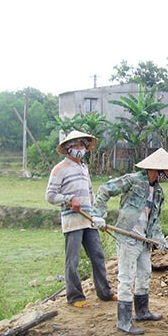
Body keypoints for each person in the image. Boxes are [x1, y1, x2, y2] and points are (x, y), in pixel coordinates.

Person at [91, 148, 168, 335]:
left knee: (145, 275)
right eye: (167, 171)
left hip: (144, 239)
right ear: (156, 169)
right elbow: (104, 190)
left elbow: (154, 220)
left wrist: (159, 238)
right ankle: (123, 321)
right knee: (127, 278)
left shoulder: (158, 192)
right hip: (128, 237)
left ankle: (142, 311)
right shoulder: (132, 181)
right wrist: (98, 215)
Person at [45, 130, 116, 308]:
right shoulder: (60, 169)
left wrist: (96, 215)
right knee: (73, 260)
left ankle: (104, 292)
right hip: (73, 222)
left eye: (83, 145)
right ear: (69, 148)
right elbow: (50, 196)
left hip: (88, 220)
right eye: (77, 145)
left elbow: (90, 194)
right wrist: (69, 199)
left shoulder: (84, 168)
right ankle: (75, 297)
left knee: (98, 256)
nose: (80, 148)